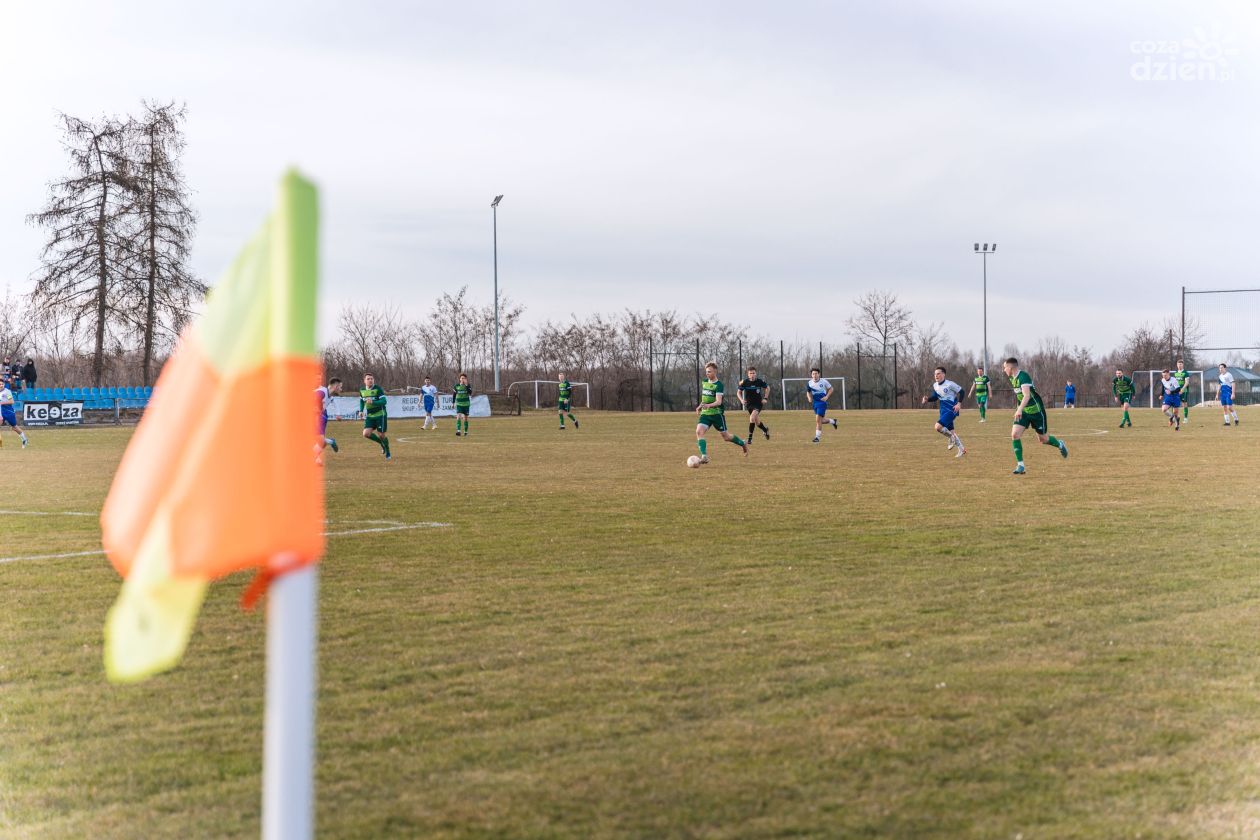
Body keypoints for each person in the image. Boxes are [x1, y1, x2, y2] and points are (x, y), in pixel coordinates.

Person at [1003, 357, 1068, 475]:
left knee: (1043, 439)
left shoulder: (1023, 377)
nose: (1004, 370)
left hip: (1037, 412)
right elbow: (1020, 397)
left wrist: (1019, 410)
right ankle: (1021, 465)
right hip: (1024, 412)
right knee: (1014, 435)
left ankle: (1060, 444)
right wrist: (1020, 410)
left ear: (1011, 367)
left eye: (1005, 367)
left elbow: (1026, 396)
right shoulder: (1013, 379)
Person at [694, 361, 748, 463]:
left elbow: (718, 402)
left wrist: (708, 406)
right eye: (706, 372)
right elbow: (705, 399)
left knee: (726, 437)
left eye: (709, 371)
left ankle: (742, 443)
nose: (707, 373)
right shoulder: (704, 382)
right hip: (705, 414)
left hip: (717, 414)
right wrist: (700, 406)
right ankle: (704, 456)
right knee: (699, 431)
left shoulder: (719, 385)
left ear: (715, 372)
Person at [920, 366, 965, 458]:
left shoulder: (950, 384)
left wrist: (959, 404)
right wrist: (927, 399)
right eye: (935, 374)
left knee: (937, 427)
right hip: (943, 410)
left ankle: (951, 438)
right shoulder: (935, 385)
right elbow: (935, 397)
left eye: (938, 373)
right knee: (951, 431)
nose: (936, 375)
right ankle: (962, 450)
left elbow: (962, 391)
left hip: (952, 410)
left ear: (943, 374)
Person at [359, 373, 391, 459]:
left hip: (381, 414)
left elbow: (384, 401)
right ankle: (382, 443)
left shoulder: (378, 389)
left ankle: (387, 450)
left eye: (372, 379)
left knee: (381, 435)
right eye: (368, 379)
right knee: (366, 434)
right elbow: (362, 401)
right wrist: (361, 410)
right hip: (370, 416)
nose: (370, 380)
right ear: (364, 381)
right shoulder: (362, 390)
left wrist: (373, 402)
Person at [737, 366, 771, 445]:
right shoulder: (745, 382)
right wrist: (741, 400)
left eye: (753, 373)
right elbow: (738, 392)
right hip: (749, 405)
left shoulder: (760, 381)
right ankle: (765, 430)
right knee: (757, 422)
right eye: (750, 373)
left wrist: (765, 398)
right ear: (748, 374)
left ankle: (750, 439)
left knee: (752, 417)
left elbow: (768, 388)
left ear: (756, 374)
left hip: (758, 404)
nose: (752, 374)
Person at [805, 368, 838, 443]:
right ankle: (833, 421)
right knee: (821, 421)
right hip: (815, 403)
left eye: (816, 373)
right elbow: (808, 392)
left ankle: (817, 438)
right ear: (811, 375)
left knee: (817, 420)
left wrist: (826, 397)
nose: (815, 375)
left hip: (822, 402)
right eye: (813, 374)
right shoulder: (809, 383)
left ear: (819, 374)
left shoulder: (824, 381)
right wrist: (809, 397)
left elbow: (831, 389)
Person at [314, 377, 343, 463]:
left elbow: (335, 403)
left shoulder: (329, 395)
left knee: (319, 440)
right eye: (340, 387)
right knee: (320, 441)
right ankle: (316, 458)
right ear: (335, 386)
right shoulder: (322, 391)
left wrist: (337, 413)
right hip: (317, 416)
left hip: (319, 417)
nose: (341, 389)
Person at [0, 380, 29, 448]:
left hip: (9, 412)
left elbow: (12, 401)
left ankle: (24, 439)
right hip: (1, 412)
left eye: (2, 384)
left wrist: (2, 403)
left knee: (14, 427)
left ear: (4, 385)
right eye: (0, 384)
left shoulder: (7, 392)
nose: (1, 385)